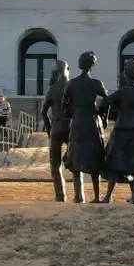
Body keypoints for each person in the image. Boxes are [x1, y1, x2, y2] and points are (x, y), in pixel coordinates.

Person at [97, 59, 134, 204]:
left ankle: (108, 196)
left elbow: (103, 103)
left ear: (125, 74)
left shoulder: (120, 93)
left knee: (114, 164)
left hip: (121, 130)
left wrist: (104, 115)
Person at [61, 51, 109, 203]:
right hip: (92, 120)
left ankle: (78, 196)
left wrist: (72, 113)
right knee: (95, 155)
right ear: (92, 65)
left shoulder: (72, 83)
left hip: (78, 121)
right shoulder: (96, 83)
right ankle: (96, 196)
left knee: (76, 155)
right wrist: (102, 115)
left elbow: (64, 105)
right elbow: (107, 100)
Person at [41, 60, 83, 203]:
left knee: (55, 165)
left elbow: (43, 112)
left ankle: (60, 196)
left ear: (56, 72)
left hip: (57, 126)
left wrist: (48, 129)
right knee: (76, 163)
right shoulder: (75, 87)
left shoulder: (52, 89)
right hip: (71, 126)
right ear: (68, 69)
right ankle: (79, 196)